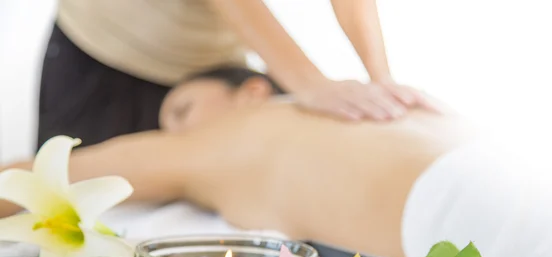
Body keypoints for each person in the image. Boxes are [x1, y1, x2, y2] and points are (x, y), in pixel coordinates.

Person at [4, 66, 552, 257]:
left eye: (181, 109)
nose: (171, 135)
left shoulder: (241, 130)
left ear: (253, 89)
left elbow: (47, 176)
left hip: (482, 217)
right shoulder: (381, 107)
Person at [39, 0, 436, 148]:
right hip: (105, 49)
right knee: (77, 200)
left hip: (209, 65)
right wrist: (310, 84)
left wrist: (382, 80)